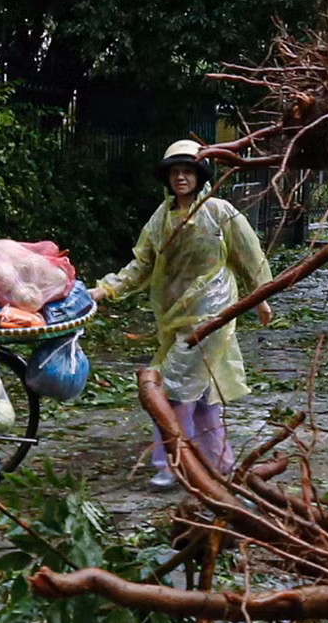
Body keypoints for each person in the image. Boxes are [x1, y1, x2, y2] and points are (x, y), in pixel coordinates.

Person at [90, 139, 273, 488]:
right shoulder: (161, 218)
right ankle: (219, 464)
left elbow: (250, 255)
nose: (181, 178)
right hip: (175, 316)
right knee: (202, 394)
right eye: (175, 172)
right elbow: (141, 263)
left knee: (172, 385)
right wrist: (105, 289)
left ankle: (171, 464)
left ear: (199, 175)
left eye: (187, 170)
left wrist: (261, 296)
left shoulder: (219, 211)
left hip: (213, 312)